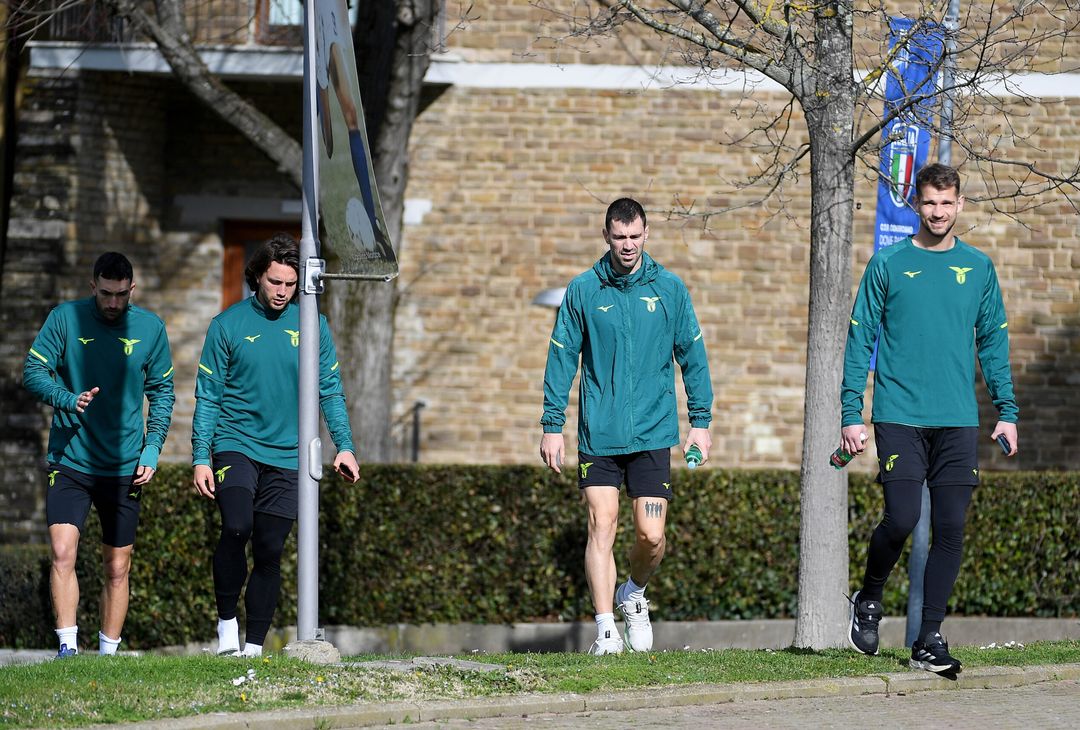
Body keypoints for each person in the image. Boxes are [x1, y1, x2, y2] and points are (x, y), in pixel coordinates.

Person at [840, 162, 1018, 675]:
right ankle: (869, 598)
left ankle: (928, 638)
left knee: (951, 527)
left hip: (957, 418)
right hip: (899, 414)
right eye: (930, 203)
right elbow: (859, 342)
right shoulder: (888, 263)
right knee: (901, 519)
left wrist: (1007, 411)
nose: (938, 212)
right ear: (915, 204)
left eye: (946, 203)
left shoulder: (978, 267)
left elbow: (994, 342)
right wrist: (852, 413)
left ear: (960, 204)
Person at [540, 197, 714, 655]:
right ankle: (605, 631)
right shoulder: (584, 290)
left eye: (635, 236)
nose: (628, 244)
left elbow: (693, 357)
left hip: (653, 432)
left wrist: (700, 422)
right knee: (602, 524)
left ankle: (633, 592)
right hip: (599, 432)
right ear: (606, 237)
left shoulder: (670, 289)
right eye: (619, 237)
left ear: (646, 234)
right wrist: (552, 424)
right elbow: (561, 359)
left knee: (651, 536)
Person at [192, 233, 360, 658]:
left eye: (290, 284)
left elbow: (330, 390)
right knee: (236, 527)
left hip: (288, 454)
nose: (283, 291)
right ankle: (226, 627)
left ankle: (252, 648)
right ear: (257, 277)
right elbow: (208, 396)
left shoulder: (313, 324)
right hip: (236, 443)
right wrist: (200, 457)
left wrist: (345, 445)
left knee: (269, 549)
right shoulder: (227, 325)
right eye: (275, 282)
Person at [23, 252, 175, 658]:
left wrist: (152, 449)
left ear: (132, 289)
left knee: (117, 566)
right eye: (105, 293)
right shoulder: (64, 319)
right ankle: (67, 648)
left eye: (121, 295)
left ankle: (108, 656)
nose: (112, 302)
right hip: (70, 459)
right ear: (93, 286)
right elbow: (33, 372)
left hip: (125, 465)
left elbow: (162, 393)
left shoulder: (151, 328)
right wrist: (67, 399)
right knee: (62, 552)